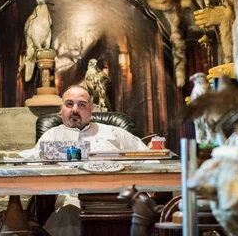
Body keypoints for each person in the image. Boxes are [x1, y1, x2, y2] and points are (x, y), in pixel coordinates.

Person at [19, 85, 149, 236]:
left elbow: (148, 158)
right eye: (69, 104)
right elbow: (31, 162)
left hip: (117, 197)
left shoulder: (115, 133)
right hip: (73, 198)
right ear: (61, 108)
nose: (75, 109)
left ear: (91, 109)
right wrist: (44, 165)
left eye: (81, 105)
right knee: (67, 215)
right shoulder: (51, 135)